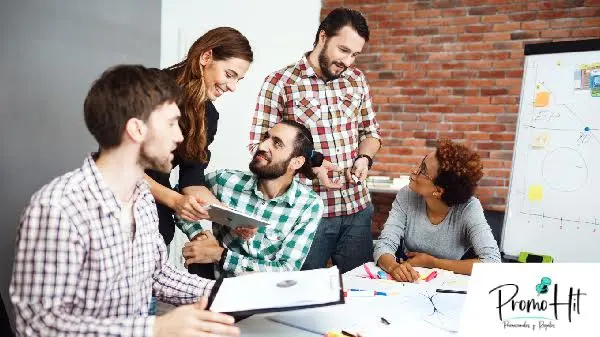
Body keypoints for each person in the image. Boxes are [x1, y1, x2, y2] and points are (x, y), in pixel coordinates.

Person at [10, 65, 239, 336]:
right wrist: (154, 329)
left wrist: (229, 292)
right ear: (136, 129)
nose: (180, 136)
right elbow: (39, 326)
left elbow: (155, 276)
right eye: (171, 123)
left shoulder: (142, 200)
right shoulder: (57, 208)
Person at [249, 8, 381, 273]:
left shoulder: (356, 80)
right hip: (307, 214)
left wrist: (364, 158)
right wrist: (315, 168)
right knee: (304, 297)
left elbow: (371, 132)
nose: (348, 61)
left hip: (357, 208)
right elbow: (259, 149)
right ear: (323, 37)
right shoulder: (280, 83)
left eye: (355, 54)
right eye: (343, 50)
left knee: (362, 293)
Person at [146, 27, 253, 246]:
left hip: (155, 226)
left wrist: (230, 217)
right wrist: (175, 201)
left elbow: (192, 181)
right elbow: (121, 165)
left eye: (238, 80)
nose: (232, 87)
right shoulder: (151, 87)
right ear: (206, 57)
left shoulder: (209, 116)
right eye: (230, 74)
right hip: (117, 211)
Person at [179, 121, 325, 278]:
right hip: (217, 289)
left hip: (268, 295)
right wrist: (198, 235)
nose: (262, 146)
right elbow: (178, 198)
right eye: (265, 137)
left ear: (296, 162)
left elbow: (286, 269)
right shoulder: (224, 180)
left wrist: (220, 255)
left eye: (277, 143)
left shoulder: (308, 205)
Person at [374, 139, 501, 282]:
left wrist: (433, 263)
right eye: (421, 163)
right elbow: (384, 244)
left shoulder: (469, 208)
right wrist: (393, 267)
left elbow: (492, 262)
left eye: (423, 170)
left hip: (450, 286)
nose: (414, 171)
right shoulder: (407, 195)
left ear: (438, 191)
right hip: (411, 282)